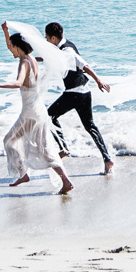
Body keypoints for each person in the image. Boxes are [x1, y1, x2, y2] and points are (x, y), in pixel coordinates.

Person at [0, 23, 75, 194]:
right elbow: (10, 45)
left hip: (29, 114)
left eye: (12, 47)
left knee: (9, 141)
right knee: (44, 150)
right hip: (37, 111)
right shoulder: (31, 59)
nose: (10, 50)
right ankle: (65, 181)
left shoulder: (24, 63)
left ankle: (23, 174)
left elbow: (18, 83)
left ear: (18, 48)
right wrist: (6, 32)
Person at [43, 21, 114, 175]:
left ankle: (63, 148)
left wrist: (99, 81)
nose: (47, 41)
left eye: (47, 38)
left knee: (48, 116)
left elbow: (84, 65)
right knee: (90, 126)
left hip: (74, 93)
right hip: (84, 92)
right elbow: (53, 58)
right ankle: (107, 159)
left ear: (54, 38)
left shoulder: (67, 50)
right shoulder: (65, 46)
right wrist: (33, 59)